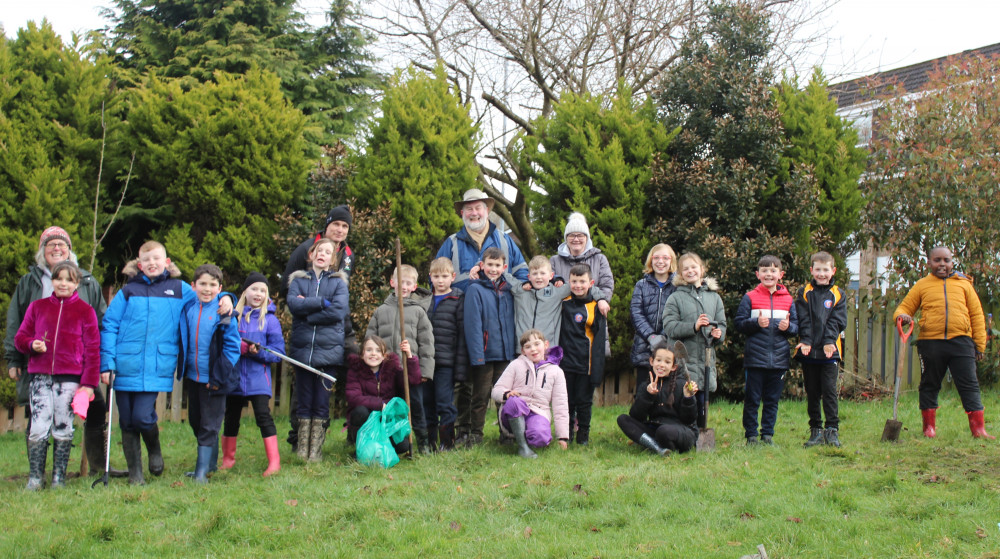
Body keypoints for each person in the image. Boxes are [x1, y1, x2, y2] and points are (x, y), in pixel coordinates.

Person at [100, 241, 234, 485]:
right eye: (147, 260)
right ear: (139, 265)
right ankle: (136, 475)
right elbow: (109, 325)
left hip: (155, 365)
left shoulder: (180, 289)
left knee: (142, 416)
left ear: (167, 262)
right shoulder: (128, 292)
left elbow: (207, 293)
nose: (152, 263)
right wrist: (107, 362)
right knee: (127, 420)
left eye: (157, 259)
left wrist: (226, 297)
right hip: (124, 364)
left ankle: (154, 450)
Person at [5, 226, 120, 477]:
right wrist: (13, 357)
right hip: (38, 365)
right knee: (38, 416)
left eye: (62, 245)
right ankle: (38, 474)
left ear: (70, 251)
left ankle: (97, 466)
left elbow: (100, 325)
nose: (56, 249)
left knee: (93, 409)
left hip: (75, 367)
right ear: (42, 252)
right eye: (50, 245)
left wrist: (102, 363)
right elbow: (16, 322)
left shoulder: (87, 281)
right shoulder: (29, 283)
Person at [14, 261, 100, 489]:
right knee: (39, 425)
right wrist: (32, 344)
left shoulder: (86, 311)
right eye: (58, 278)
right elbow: (20, 338)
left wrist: (89, 384)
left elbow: (93, 349)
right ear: (52, 280)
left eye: (69, 280)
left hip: (70, 379)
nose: (63, 283)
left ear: (77, 283)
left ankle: (58, 478)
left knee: (63, 425)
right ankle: (35, 477)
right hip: (40, 377)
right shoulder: (37, 307)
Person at [893, 246, 994, 440]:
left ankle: (978, 430)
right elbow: (904, 308)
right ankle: (929, 428)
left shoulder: (964, 285)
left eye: (946, 260)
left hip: (962, 342)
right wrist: (901, 316)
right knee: (929, 384)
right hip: (931, 343)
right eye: (937, 260)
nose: (942, 264)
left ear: (952, 262)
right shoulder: (922, 285)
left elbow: (977, 316)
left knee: (969, 385)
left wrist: (979, 345)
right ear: (929, 263)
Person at [281, 204, 356, 453]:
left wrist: (314, 312)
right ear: (327, 224)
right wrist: (312, 311)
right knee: (303, 382)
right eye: (337, 224)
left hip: (334, 327)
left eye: (345, 226)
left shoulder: (347, 254)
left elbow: (339, 305)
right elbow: (289, 289)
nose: (340, 229)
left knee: (350, 364)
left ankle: (348, 433)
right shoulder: (306, 248)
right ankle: (297, 440)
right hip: (307, 329)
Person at [179, 264, 241, 484]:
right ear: (193, 286)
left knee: (209, 424)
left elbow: (232, 348)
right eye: (202, 284)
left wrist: (219, 375)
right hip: (194, 377)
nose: (207, 289)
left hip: (215, 379)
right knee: (196, 421)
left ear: (219, 287)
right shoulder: (188, 307)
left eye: (212, 285)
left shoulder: (224, 313)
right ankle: (211, 464)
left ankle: (201, 472)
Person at [366, 264, 435, 453]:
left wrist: (425, 371)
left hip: (410, 370)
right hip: (387, 373)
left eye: (408, 283)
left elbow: (427, 344)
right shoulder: (381, 311)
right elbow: (370, 339)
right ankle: (396, 442)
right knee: (391, 408)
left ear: (414, 286)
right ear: (392, 282)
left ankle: (423, 443)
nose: (403, 286)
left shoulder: (418, 312)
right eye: (399, 282)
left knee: (415, 406)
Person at [221, 272, 285, 476]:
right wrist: (236, 348)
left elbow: (278, 354)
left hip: (259, 379)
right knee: (231, 418)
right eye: (254, 289)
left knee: (263, 417)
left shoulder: (271, 321)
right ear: (245, 292)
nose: (258, 294)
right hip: (234, 378)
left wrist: (258, 352)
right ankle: (228, 459)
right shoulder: (233, 317)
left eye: (263, 291)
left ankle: (274, 462)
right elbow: (222, 344)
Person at [734, 255, 798, 446]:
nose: (768, 274)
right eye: (764, 270)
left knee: (772, 400)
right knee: (752, 399)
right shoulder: (750, 297)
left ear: (781, 275)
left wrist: (789, 327)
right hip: (755, 358)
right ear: (758, 274)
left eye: (773, 270)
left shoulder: (788, 300)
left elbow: (796, 328)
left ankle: (768, 434)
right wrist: (755, 323)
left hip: (779, 359)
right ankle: (751, 435)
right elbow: (739, 324)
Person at [460, 246, 517, 447]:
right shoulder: (475, 289)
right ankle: (476, 434)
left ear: (504, 267)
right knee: (480, 396)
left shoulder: (509, 289)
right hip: (484, 354)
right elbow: (473, 324)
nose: (493, 269)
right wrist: (477, 355)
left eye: (497, 265)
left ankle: (507, 433)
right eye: (489, 265)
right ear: (482, 265)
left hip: (505, 353)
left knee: (504, 397)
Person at [662, 252, 726, 431]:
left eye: (694, 267)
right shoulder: (675, 298)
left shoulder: (714, 298)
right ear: (680, 274)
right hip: (686, 359)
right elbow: (670, 327)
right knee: (688, 396)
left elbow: (722, 324)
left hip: (706, 359)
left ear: (702, 269)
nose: (690, 271)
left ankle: (701, 430)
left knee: (703, 398)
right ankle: (687, 431)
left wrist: (718, 334)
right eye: (685, 269)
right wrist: (694, 326)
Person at [795, 252, 848, 448]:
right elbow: (803, 319)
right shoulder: (804, 292)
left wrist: (828, 341)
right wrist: (807, 340)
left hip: (829, 352)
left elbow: (838, 321)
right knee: (813, 391)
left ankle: (832, 430)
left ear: (833, 271)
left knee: (829, 391)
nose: (822, 273)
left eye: (826, 270)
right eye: (818, 269)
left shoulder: (838, 294)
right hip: (809, 351)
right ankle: (815, 429)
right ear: (812, 270)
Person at [491, 329, 569, 459]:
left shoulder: (556, 372)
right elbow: (496, 390)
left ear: (546, 345)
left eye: (537, 344)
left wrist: (562, 437)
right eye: (528, 347)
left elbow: (560, 405)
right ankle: (523, 447)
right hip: (515, 411)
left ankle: (531, 435)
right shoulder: (515, 365)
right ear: (523, 351)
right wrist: (506, 394)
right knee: (514, 401)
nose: (533, 349)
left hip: (539, 413)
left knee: (541, 438)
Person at [436, 189, 528, 291]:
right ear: (462, 213)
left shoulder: (505, 240)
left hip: (501, 306)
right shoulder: (451, 243)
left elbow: (522, 274)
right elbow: (435, 279)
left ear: (487, 211)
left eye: (478, 208)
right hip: (463, 307)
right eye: (469, 209)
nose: (474, 213)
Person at [506, 255, 608, 347]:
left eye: (542, 273)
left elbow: (584, 285)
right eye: (535, 273)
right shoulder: (521, 290)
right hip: (523, 349)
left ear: (551, 276)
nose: (539, 277)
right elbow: (504, 276)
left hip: (548, 349)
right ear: (529, 277)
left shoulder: (557, 291)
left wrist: (601, 299)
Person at [550, 212, 614, 357]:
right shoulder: (554, 261)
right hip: (563, 321)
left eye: (580, 235)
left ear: (587, 238)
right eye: (572, 235)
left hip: (592, 318)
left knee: (592, 364)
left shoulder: (599, 259)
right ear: (566, 238)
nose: (576, 239)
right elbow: (549, 287)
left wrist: (598, 303)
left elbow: (607, 285)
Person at [344, 336, 421, 457]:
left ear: (384, 355)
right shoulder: (355, 371)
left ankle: (381, 448)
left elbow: (413, 380)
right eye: (369, 350)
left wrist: (410, 356)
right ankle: (362, 448)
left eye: (378, 350)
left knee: (403, 446)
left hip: (387, 419)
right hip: (366, 418)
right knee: (359, 411)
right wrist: (379, 405)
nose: (373, 354)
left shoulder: (392, 370)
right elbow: (353, 397)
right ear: (362, 353)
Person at [616, 343, 698, 456]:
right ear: (651, 361)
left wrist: (688, 397)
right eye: (658, 360)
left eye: (667, 362)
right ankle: (657, 448)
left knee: (663, 432)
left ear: (674, 367)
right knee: (623, 419)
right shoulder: (646, 386)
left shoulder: (681, 385)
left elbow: (689, 420)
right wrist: (648, 395)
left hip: (680, 431)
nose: (662, 365)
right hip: (655, 428)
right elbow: (636, 416)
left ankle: (665, 447)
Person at [558, 264, 607, 446]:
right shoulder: (563, 301)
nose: (578, 285)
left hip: (586, 364)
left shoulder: (596, 307)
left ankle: (583, 436)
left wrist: (596, 368)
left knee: (584, 402)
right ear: (569, 282)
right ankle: (567, 434)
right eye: (574, 281)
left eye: (582, 281)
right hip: (565, 363)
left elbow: (600, 341)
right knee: (567, 401)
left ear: (591, 283)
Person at [424, 257, 467, 451]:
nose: (440, 281)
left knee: (444, 402)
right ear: (430, 277)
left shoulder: (458, 298)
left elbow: (461, 334)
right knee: (428, 403)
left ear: (453, 277)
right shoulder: (425, 300)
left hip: (446, 362)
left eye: (444, 276)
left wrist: (459, 367)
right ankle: (430, 442)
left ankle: (447, 442)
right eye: (436, 276)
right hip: (426, 362)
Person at [630, 244, 678, 378]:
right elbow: (636, 313)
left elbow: (677, 314)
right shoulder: (641, 285)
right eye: (656, 257)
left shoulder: (678, 286)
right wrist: (651, 337)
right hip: (644, 348)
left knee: (666, 394)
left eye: (665, 258)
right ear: (650, 260)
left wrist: (663, 338)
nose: (660, 261)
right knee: (644, 391)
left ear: (671, 261)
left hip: (669, 348)